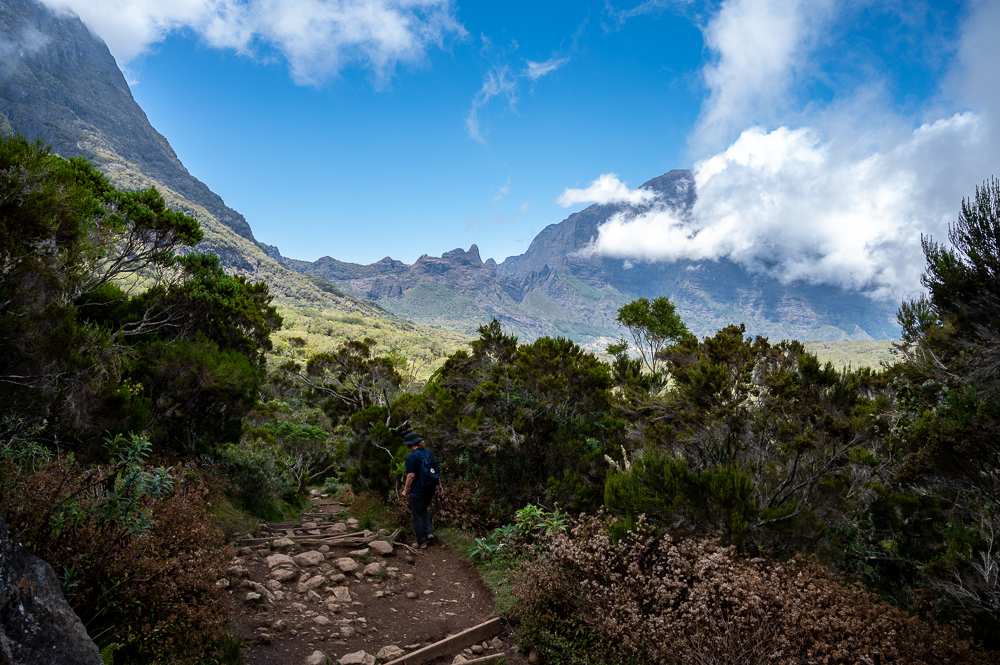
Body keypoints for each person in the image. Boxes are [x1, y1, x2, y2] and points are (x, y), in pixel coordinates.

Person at [401, 432, 444, 549]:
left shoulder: (412, 456)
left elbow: (411, 476)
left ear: (410, 445)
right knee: (423, 508)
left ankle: (421, 542)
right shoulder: (428, 452)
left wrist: (405, 490)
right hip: (430, 488)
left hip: (417, 490)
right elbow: (435, 470)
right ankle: (429, 532)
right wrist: (439, 485)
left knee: (417, 515)